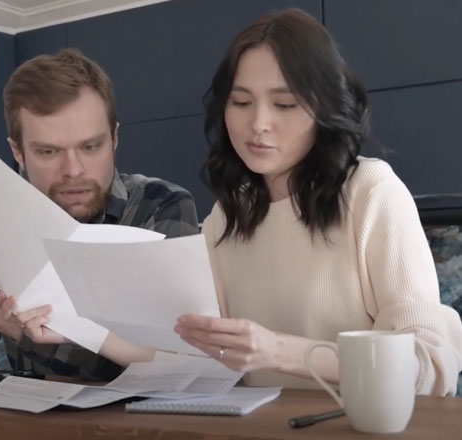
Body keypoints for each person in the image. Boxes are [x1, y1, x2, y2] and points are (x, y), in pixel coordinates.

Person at [173, 8, 462, 395]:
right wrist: (80, 327)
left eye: (285, 104)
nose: (258, 123)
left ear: (324, 108)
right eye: (241, 102)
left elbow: (427, 367)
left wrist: (280, 351)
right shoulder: (227, 215)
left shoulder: (370, 191)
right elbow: (189, 356)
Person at [0, 48, 199, 380]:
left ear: (115, 138)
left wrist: (6, 322)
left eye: (90, 147)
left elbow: (161, 361)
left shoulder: (161, 205)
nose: (74, 170)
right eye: (49, 152)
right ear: (17, 151)